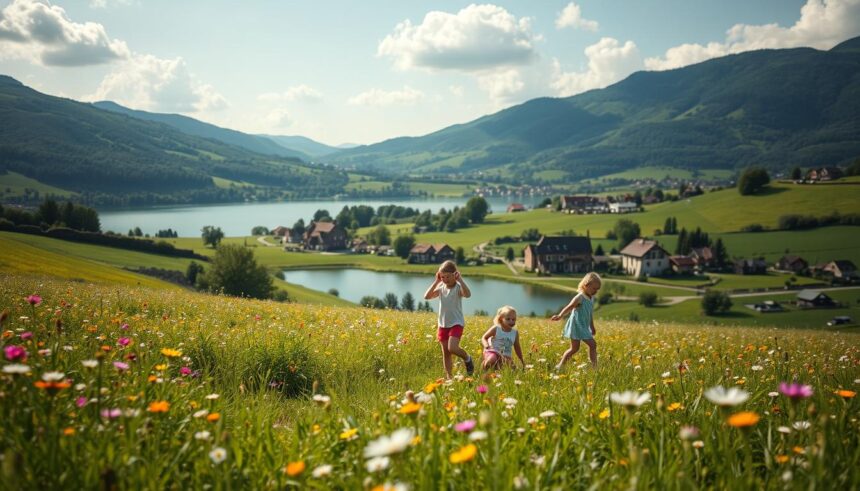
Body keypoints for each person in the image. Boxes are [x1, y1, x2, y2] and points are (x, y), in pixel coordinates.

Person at [424, 260, 474, 378]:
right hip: (443, 324)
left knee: (452, 348)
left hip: (456, 323)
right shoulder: (441, 287)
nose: (445, 279)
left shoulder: (457, 287)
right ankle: (449, 377)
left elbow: (468, 294)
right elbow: (427, 296)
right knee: (446, 353)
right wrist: (436, 281)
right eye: (443, 277)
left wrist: (460, 280)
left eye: (448, 276)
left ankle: (467, 358)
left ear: (455, 275)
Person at [551, 272, 601, 370]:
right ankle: (594, 367)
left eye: (597, 289)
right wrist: (560, 315)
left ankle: (560, 366)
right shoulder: (580, 297)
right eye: (594, 288)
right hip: (577, 326)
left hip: (584, 326)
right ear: (586, 285)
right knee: (591, 345)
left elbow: (589, 314)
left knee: (575, 349)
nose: (595, 291)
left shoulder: (591, 298)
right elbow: (569, 307)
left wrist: (592, 326)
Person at [481, 305, 524, 371]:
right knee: (492, 359)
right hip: (493, 352)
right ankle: (484, 370)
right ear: (501, 319)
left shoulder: (515, 333)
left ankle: (497, 368)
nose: (511, 322)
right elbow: (484, 337)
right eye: (508, 319)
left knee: (513, 369)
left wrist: (521, 359)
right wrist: (486, 345)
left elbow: (517, 347)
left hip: (506, 356)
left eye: (513, 319)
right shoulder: (496, 328)